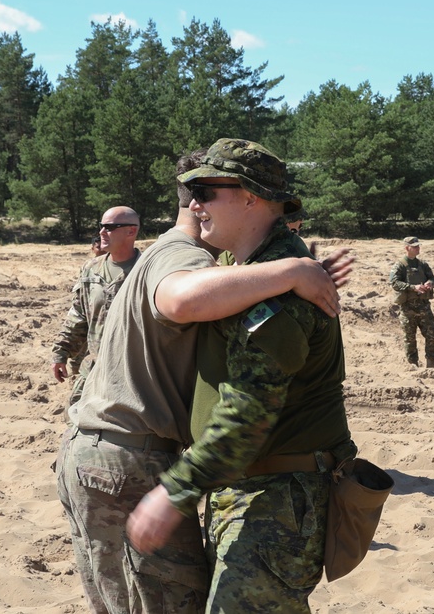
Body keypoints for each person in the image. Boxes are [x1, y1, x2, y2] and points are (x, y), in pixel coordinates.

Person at [56, 146, 353, 614]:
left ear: (252, 197)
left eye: (207, 192)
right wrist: (294, 269)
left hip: (272, 498)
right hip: (240, 488)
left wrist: (176, 490)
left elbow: (249, 411)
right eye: (193, 193)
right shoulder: (260, 274)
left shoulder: (270, 287)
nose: (194, 205)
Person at [51, 207, 142, 407]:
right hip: (93, 368)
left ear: (131, 231)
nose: (102, 232)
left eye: (110, 227)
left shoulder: (146, 270)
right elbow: (79, 314)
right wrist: (61, 352)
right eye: (101, 226)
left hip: (132, 374)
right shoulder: (91, 268)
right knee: (75, 419)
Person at [390, 236, 434, 367]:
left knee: (432, 335)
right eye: (415, 246)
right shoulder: (400, 265)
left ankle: (431, 361)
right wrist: (413, 287)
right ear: (407, 248)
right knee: (410, 338)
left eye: (418, 246)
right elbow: (394, 283)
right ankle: (413, 363)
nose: (418, 248)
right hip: (408, 308)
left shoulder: (422, 264)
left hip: (424, 306)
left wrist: (430, 283)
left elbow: (433, 278)